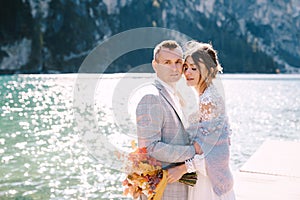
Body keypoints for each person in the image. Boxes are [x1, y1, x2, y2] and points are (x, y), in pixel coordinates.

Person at [135, 40, 201, 200]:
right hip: (163, 191)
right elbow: (150, 148)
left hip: (178, 188)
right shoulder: (151, 97)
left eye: (178, 62)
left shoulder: (177, 95)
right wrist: (194, 151)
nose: (174, 68)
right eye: (167, 62)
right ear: (155, 65)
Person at [181, 41, 235, 200]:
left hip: (208, 178)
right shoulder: (205, 95)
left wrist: (178, 164)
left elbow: (207, 148)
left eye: (194, 68)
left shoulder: (208, 100)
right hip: (205, 172)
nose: (187, 72)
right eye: (186, 67)